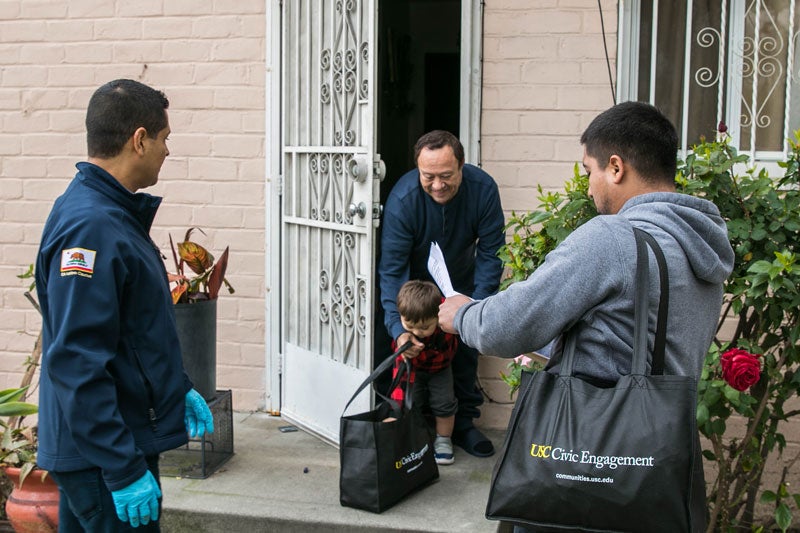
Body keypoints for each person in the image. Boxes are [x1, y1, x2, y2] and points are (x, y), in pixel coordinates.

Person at [439, 101, 734, 532]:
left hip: (583, 469)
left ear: (615, 167)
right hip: (653, 472)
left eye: (589, 170)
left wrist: (463, 315)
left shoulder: (611, 238)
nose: (588, 187)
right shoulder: (700, 249)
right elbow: (641, 338)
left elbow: (505, 326)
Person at [35, 79, 215, 532]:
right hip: (103, 457)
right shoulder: (92, 228)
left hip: (103, 447)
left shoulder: (105, 212)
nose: (167, 151)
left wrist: (177, 385)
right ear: (139, 140)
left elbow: (131, 331)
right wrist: (123, 468)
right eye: (164, 139)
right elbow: (77, 359)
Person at [378, 130, 506, 458]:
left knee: (462, 353)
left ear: (462, 166)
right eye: (428, 176)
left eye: (446, 176)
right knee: (411, 355)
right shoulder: (403, 199)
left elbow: (493, 251)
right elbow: (392, 269)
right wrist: (399, 328)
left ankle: (463, 425)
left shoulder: (483, 190)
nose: (437, 185)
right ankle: (416, 428)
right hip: (416, 288)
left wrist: (474, 306)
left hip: (462, 282)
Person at [390, 280, 459, 465]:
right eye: (410, 325)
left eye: (424, 327)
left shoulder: (445, 326)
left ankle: (444, 440)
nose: (417, 332)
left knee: (444, 403)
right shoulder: (403, 334)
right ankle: (415, 439)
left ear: (438, 316)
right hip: (412, 369)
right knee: (412, 403)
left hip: (441, 369)